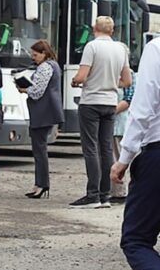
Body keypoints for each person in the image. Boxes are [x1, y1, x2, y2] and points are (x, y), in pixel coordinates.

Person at [110, 36, 160, 270]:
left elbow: (143, 108)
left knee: (136, 239)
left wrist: (124, 157)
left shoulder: (158, 48)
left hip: (157, 152)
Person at [70, 16, 131, 208]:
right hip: (110, 102)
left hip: (91, 102)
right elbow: (127, 81)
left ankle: (92, 194)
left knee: (90, 148)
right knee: (106, 149)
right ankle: (105, 195)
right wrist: (111, 83)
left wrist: (75, 81)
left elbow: (81, 76)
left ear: (94, 28)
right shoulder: (120, 48)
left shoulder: (92, 47)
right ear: (112, 31)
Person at [18, 40, 63, 199]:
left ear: (44, 53)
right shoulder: (54, 65)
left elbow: (37, 91)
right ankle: (40, 184)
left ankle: (42, 184)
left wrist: (24, 89)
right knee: (39, 149)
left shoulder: (45, 67)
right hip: (48, 112)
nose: (33, 57)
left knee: (39, 150)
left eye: (35, 55)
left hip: (42, 113)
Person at [112, 49, 135, 204]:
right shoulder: (112, 72)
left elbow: (129, 99)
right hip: (111, 122)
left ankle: (120, 192)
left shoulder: (129, 75)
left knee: (118, 156)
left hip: (119, 122)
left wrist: (110, 111)